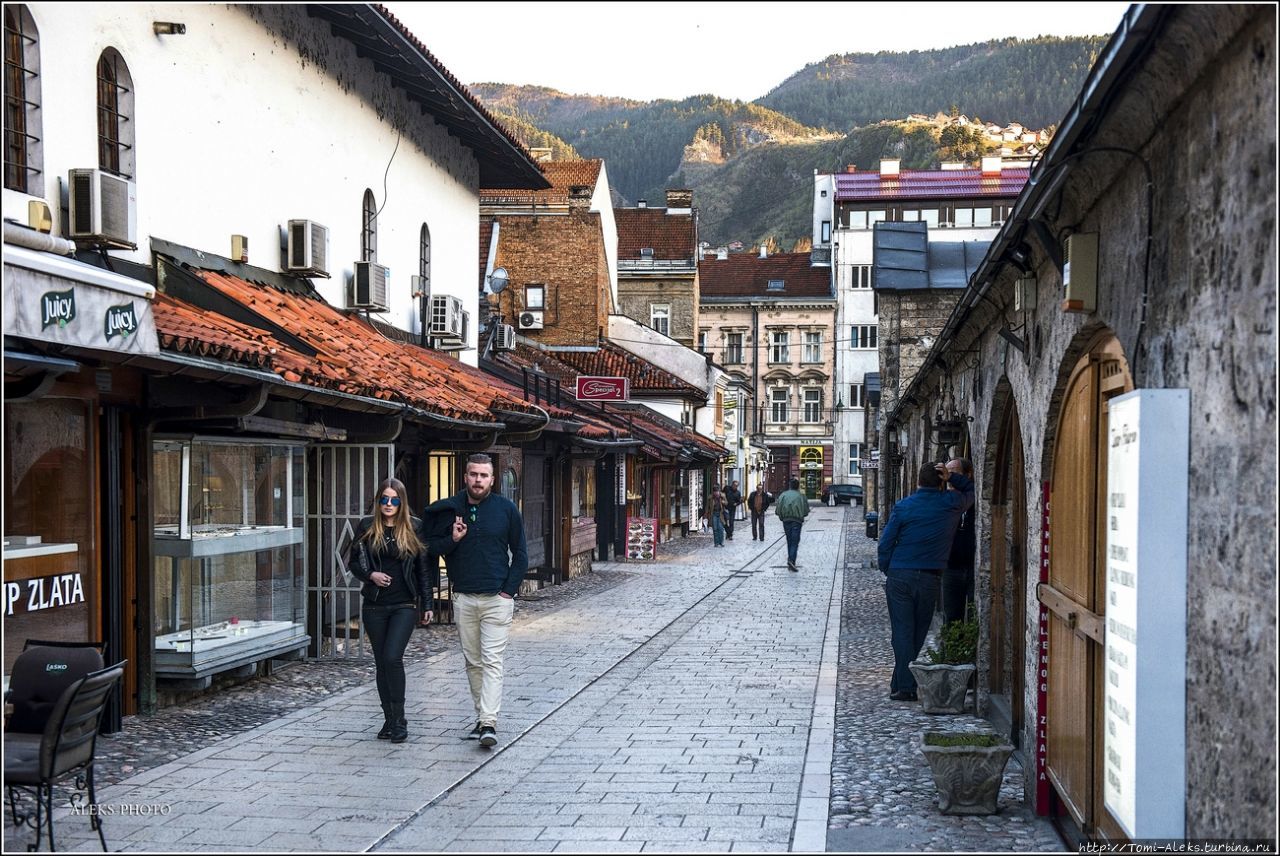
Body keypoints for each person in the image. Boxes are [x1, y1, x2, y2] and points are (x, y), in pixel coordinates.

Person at [428, 454, 528, 748]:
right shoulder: (450, 509)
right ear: (465, 476)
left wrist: (508, 591)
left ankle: (488, 722)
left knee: (492, 660)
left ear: (492, 480)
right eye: (473, 474)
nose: (478, 480)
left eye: (484, 476)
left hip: (496, 598)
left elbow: (520, 554)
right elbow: (430, 547)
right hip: (463, 596)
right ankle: (481, 717)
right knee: (473, 662)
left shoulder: (506, 510)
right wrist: (453, 540)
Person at [347, 478, 437, 744]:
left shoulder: (415, 527)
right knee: (381, 663)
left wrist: (428, 603)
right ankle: (388, 718)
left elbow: (423, 569)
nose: (388, 504)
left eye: (393, 500)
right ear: (378, 502)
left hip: (404, 605)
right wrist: (371, 575)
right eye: (384, 499)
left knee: (392, 657)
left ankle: (399, 720)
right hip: (375, 605)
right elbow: (354, 562)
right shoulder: (366, 526)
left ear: (401, 502)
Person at [878, 462, 975, 701]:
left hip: (900, 574)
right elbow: (973, 491)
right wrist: (954, 477)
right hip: (930, 577)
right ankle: (905, 685)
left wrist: (888, 569)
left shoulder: (904, 506)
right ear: (941, 481)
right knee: (917, 633)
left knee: (903, 632)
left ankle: (903, 685)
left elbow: (885, 543)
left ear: (918, 482)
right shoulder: (951, 505)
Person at [941, 458, 976, 625]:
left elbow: (972, 488)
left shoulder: (972, 497)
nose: (948, 476)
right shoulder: (945, 501)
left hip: (972, 569)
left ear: (968, 475)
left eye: (954, 472)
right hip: (951, 569)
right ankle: (952, 650)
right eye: (947, 473)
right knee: (952, 619)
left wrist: (951, 478)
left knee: (974, 617)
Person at [774, 477, 810, 571]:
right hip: (797, 521)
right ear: (798, 486)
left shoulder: (783, 495)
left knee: (789, 540)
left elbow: (778, 510)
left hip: (786, 520)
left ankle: (791, 559)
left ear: (789, 486)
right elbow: (806, 511)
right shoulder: (801, 496)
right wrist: (801, 514)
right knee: (795, 541)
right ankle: (791, 560)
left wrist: (782, 517)